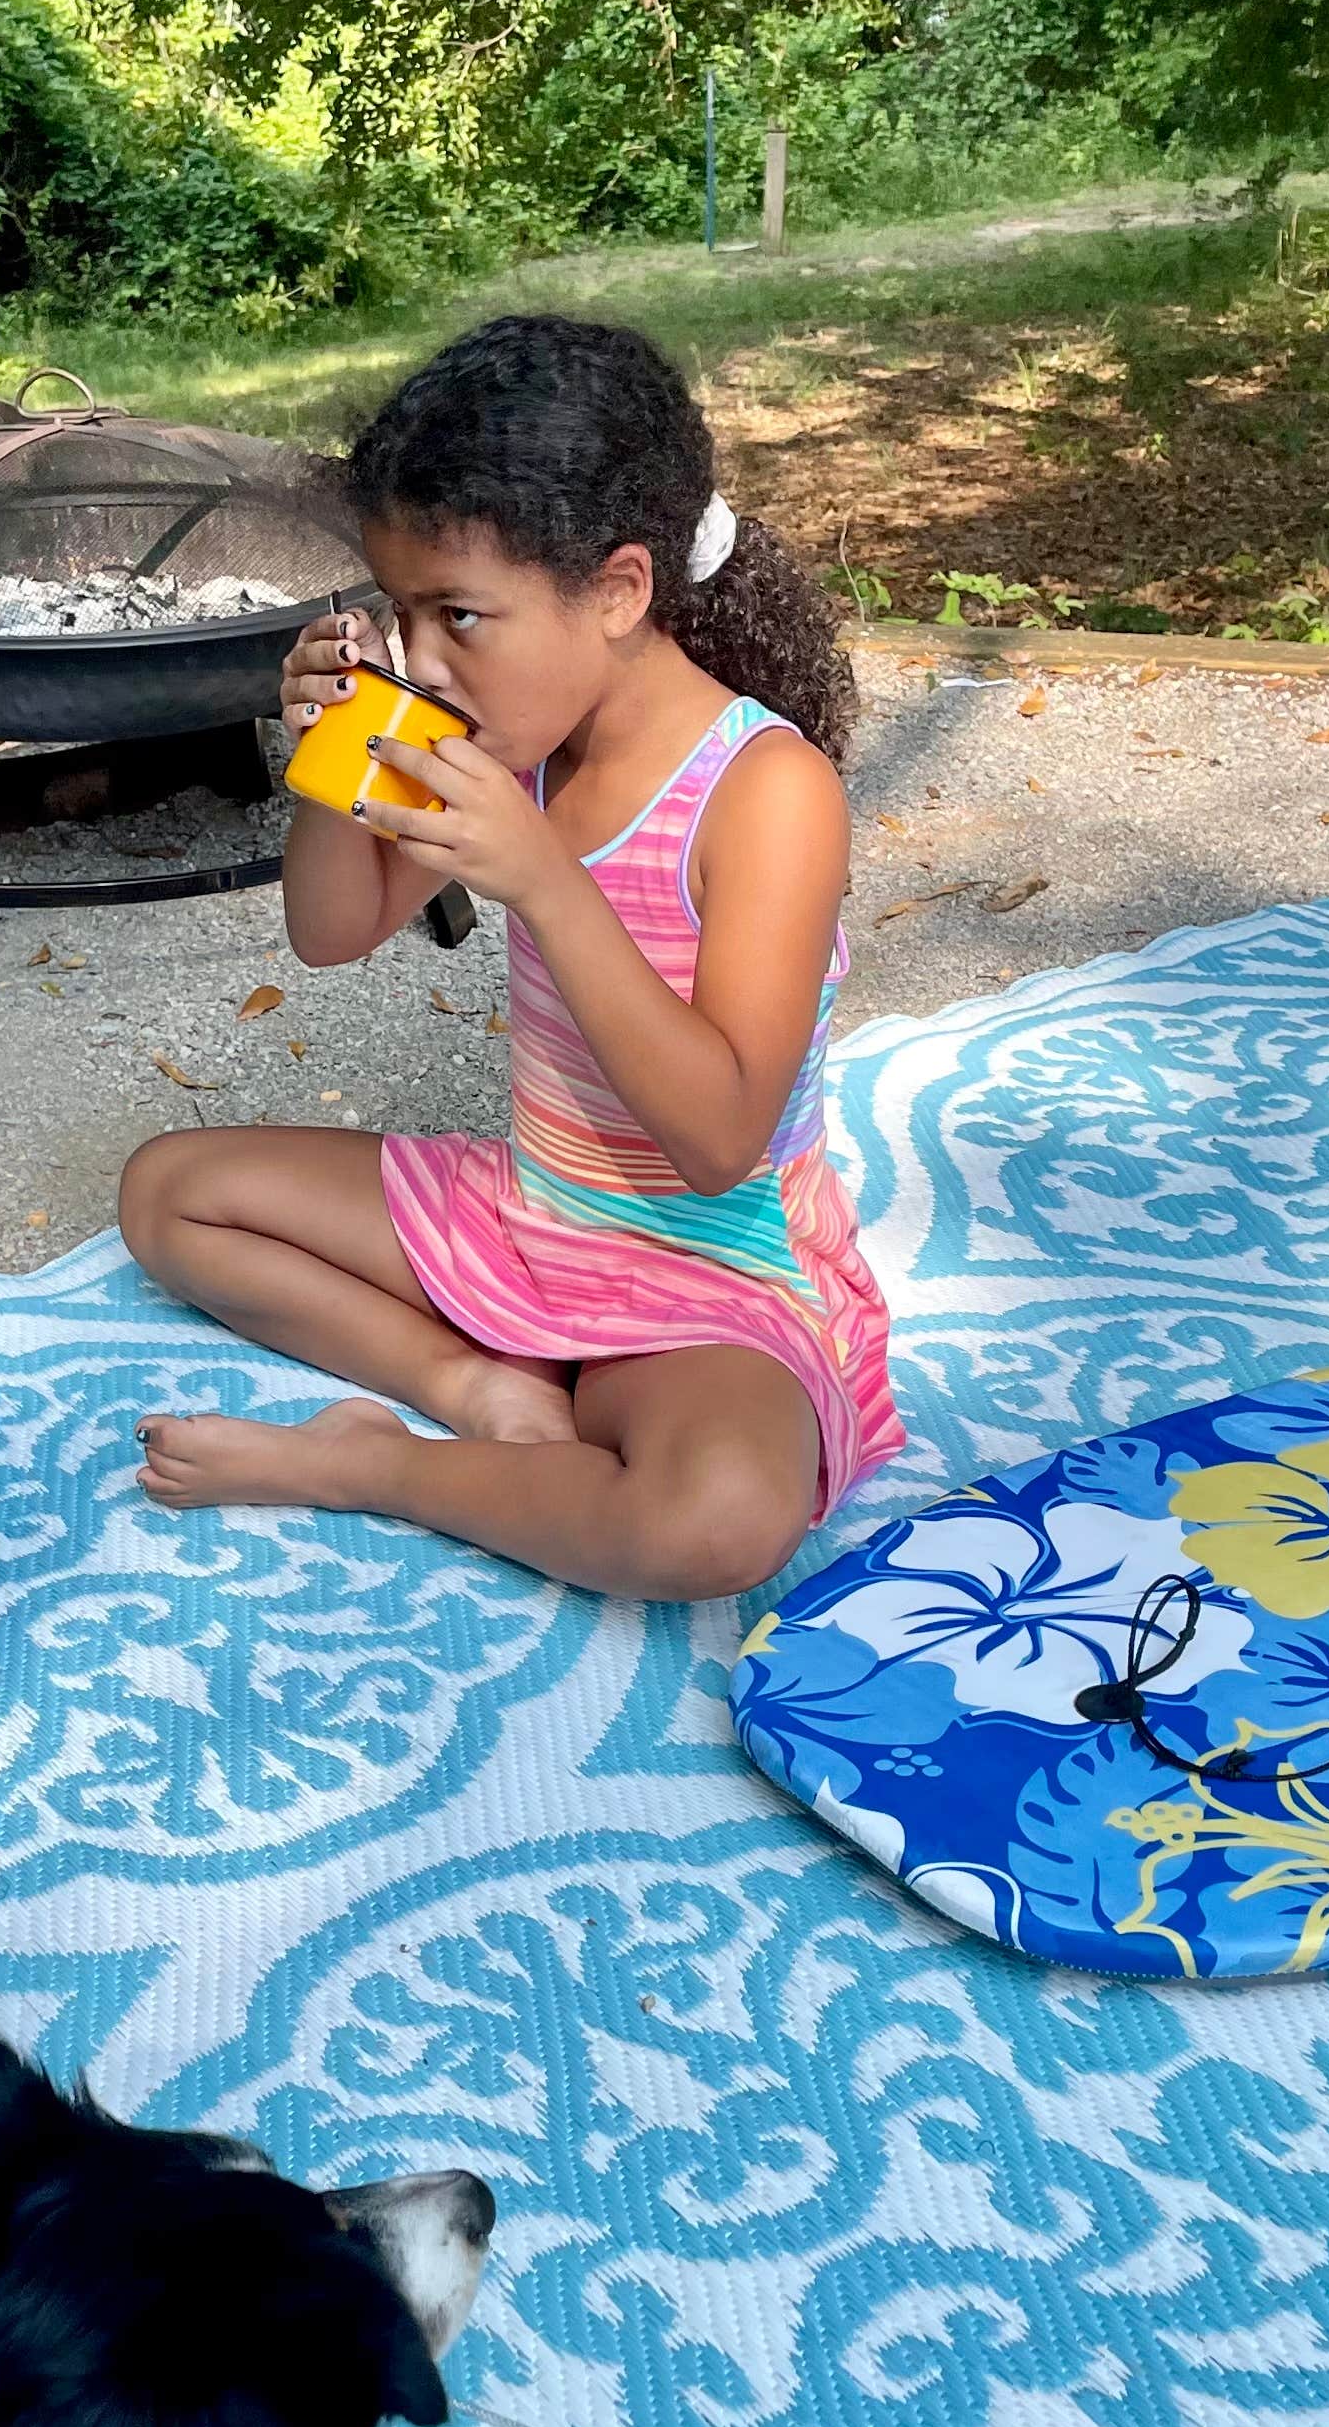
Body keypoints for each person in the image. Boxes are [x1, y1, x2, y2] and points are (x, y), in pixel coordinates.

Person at [119, 315, 903, 1602]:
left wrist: (540, 876)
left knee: (708, 1523)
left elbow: (718, 1140)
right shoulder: (520, 738)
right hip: (537, 1210)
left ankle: (371, 1470)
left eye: (460, 615)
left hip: (708, 1262)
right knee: (170, 1191)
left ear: (617, 592)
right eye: (400, 612)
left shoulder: (766, 793)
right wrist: (331, 761)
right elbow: (332, 931)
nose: (421, 660)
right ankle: (472, 1387)